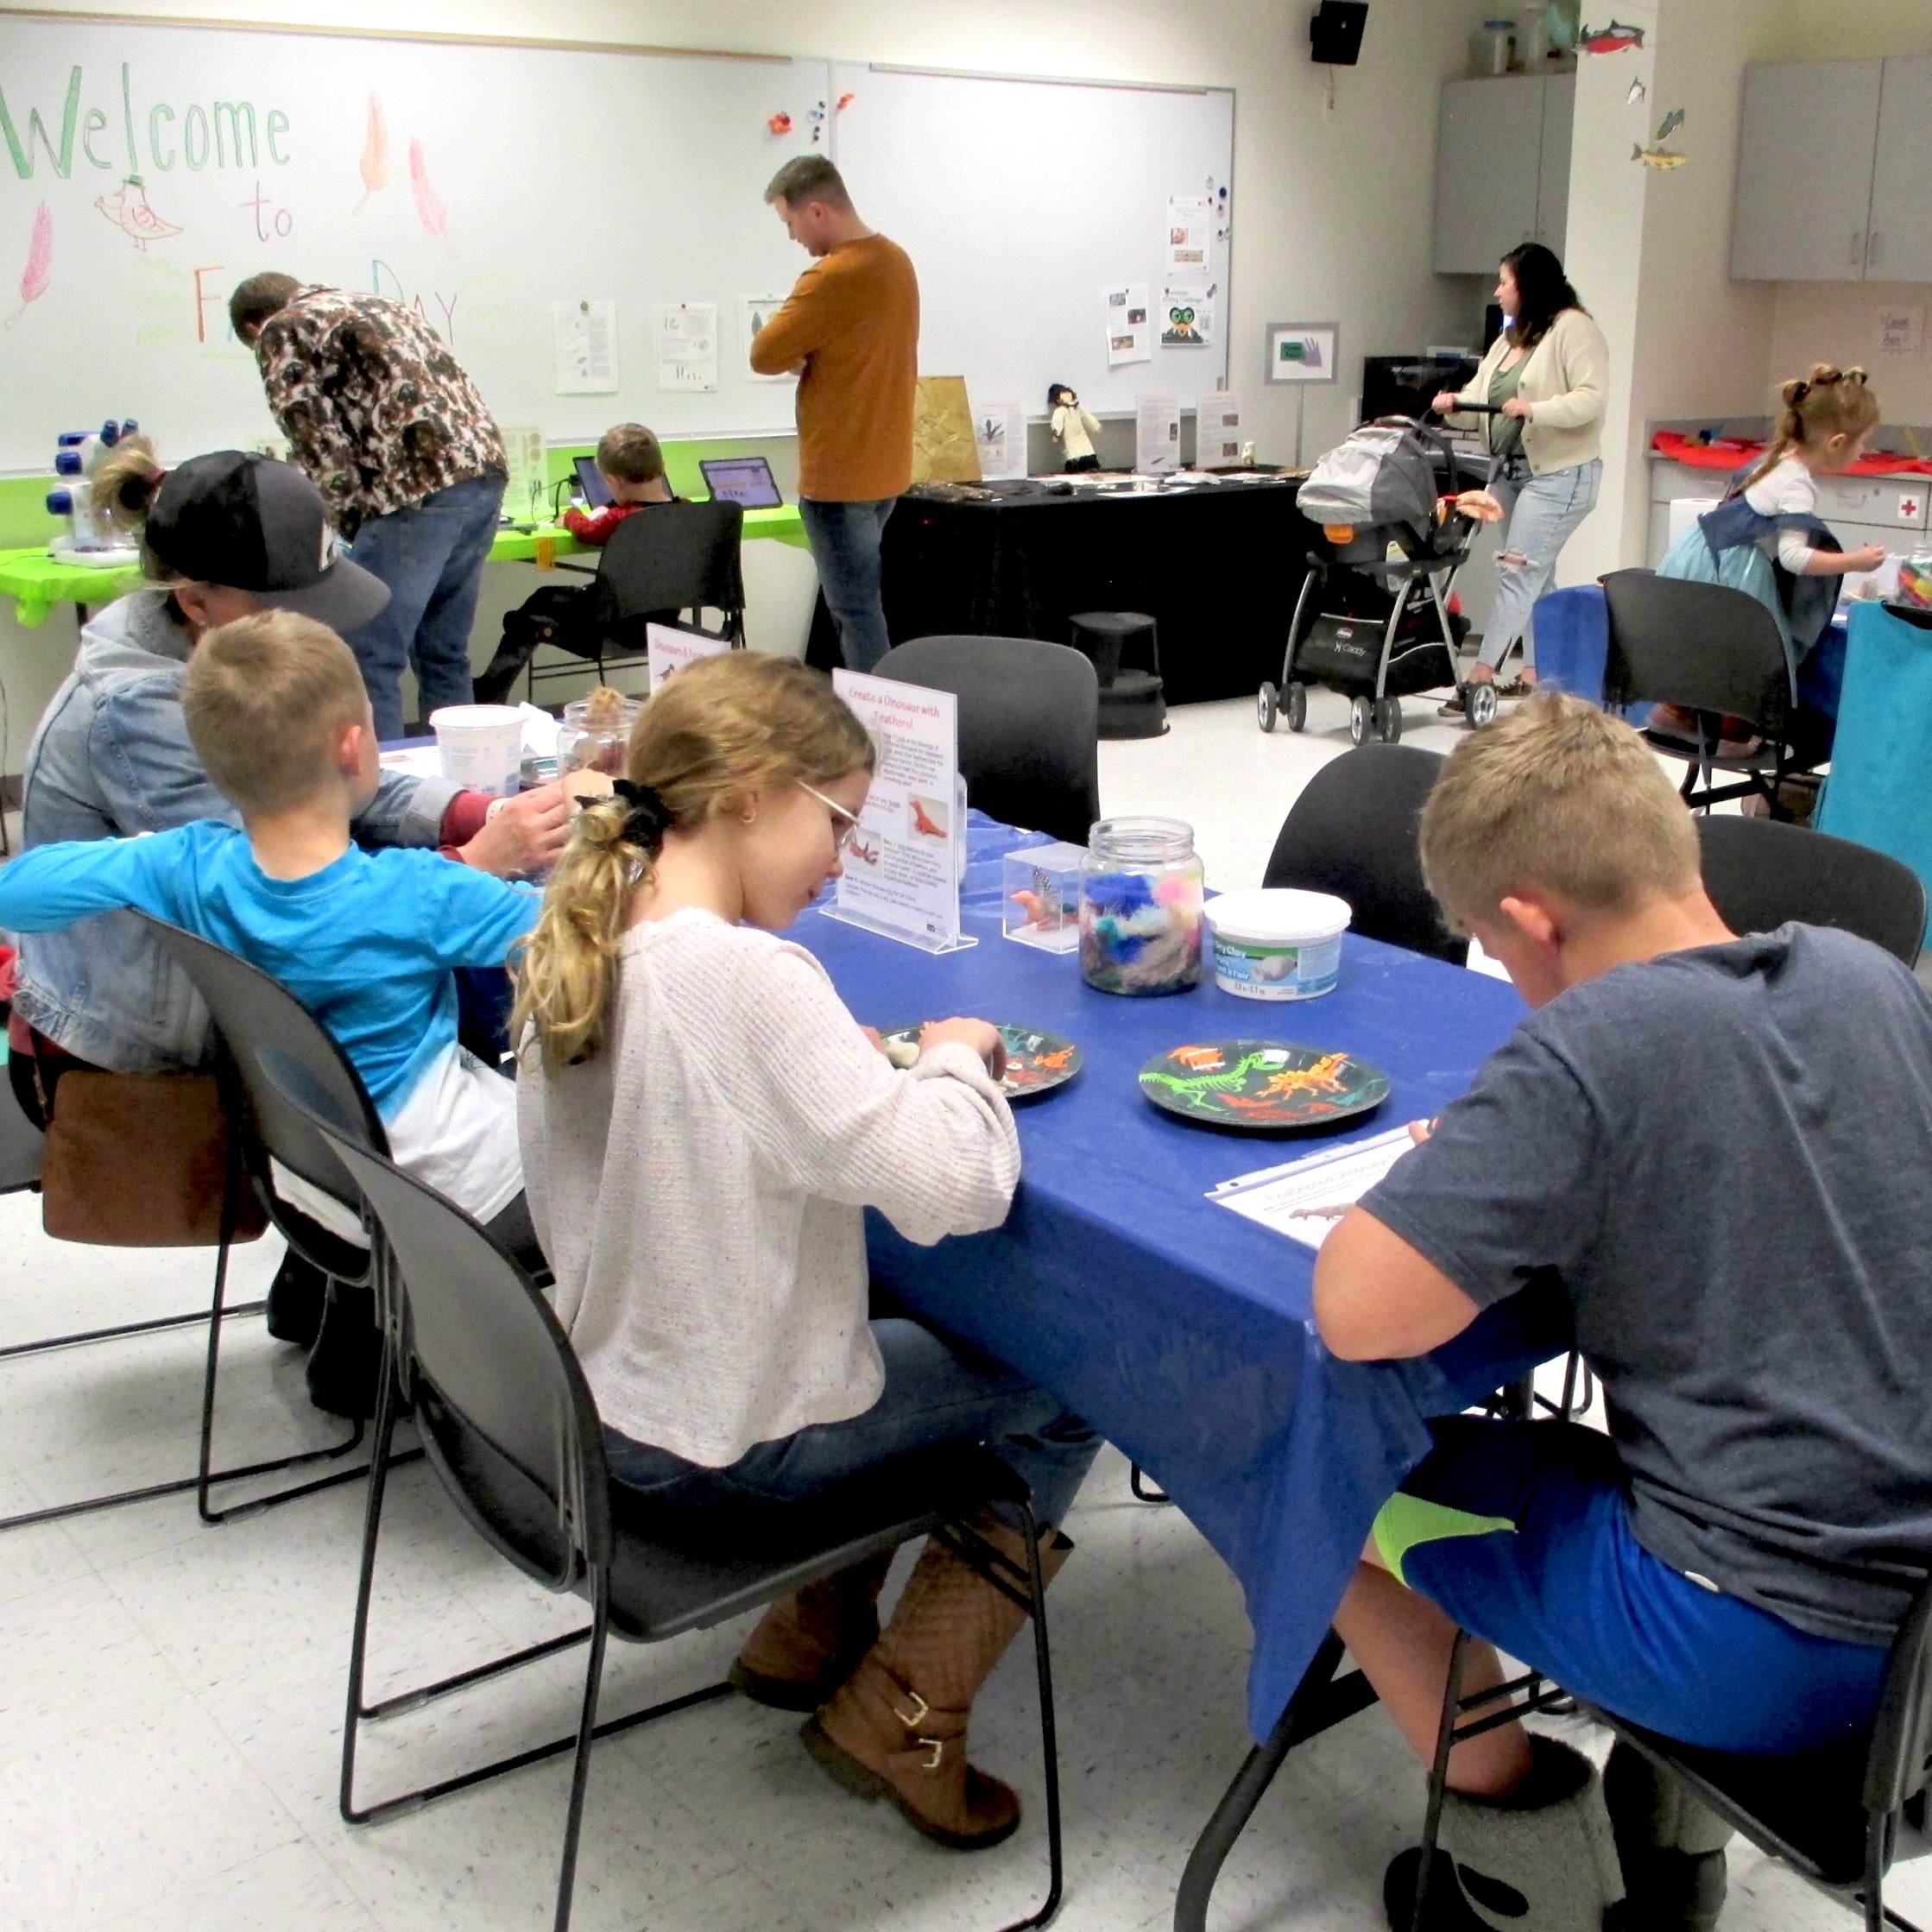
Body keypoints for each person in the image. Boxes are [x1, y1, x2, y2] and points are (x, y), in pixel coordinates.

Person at [1312, 694, 1932, 1931]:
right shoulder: (1870, 975)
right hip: (1916, 1617)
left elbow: (1353, 1312)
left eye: (1495, 947)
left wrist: (1456, 1166)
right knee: (1571, 1462)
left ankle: (1524, 1882)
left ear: (1529, 921)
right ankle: (1674, 1855)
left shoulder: (1585, 1051)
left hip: (1762, 1645)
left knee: (1315, 1465)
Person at [513, 651, 1100, 1852]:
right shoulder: (742, 977)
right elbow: (959, 1185)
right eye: (835, 822)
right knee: (1078, 1380)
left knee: (907, 1320)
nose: (843, 859)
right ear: (745, 794)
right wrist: (951, 1055)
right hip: (723, 1445)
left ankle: (808, 1624)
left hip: (606, 1405)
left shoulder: (585, 921)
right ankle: (902, 1710)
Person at [12, 446, 570, 1377]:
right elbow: (587, 938)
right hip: (161, 1051)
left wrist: (462, 816)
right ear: (197, 602)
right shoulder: (140, 717)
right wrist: (472, 868)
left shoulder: (196, 843)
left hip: (300, 1133)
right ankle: (422, 1316)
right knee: (506, 1037)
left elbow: (285, 823)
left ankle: (342, 1294)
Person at [229, 272, 508, 742]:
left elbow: (317, 440)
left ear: (254, 325)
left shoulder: (283, 327)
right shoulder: (380, 305)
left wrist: (341, 529)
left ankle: (389, 795)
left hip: (412, 486)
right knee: (442, 650)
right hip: (482, 473)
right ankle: (464, 785)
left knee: (368, 650)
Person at [1650, 364, 1886, 758]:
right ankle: (1733, 729)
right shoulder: (1798, 482)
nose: (1864, 453)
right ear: (1836, 442)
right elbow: (1794, 558)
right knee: (1760, 651)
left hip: (1699, 552)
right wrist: (1855, 561)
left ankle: (1679, 709)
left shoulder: (1775, 459)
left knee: (1710, 644)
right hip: (1733, 569)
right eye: (1862, 444)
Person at [748, 156, 919, 672]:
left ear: (817, 210)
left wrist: (803, 355)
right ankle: (879, 715)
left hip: (839, 477)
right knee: (864, 603)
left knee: (855, 610)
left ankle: (877, 727)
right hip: (887, 471)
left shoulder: (829, 276)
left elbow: (762, 355)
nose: (793, 237)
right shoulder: (897, 262)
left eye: (791, 222)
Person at [1432, 243, 1608, 717]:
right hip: (1511, 470)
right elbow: (1480, 395)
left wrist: (1537, 409)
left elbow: (1591, 398)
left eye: (1504, 282)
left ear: (1528, 286)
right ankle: (1535, 677)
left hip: (1558, 474)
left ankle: (1480, 676)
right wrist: (1456, 405)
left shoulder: (1574, 329)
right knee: (1535, 575)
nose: (1497, 290)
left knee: (1518, 573)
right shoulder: (1510, 337)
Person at [561, 421, 678, 546]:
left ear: (614, 482)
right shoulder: (686, 508)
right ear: (663, 466)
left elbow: (585, 531)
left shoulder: (622, 518)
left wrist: (570, 514)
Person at [1048, 382, 1103, 472]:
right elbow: (1087, 417)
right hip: (1075, 436)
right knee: (1079, 449)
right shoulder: (1069, 409)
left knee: (1078, 450)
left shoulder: (1068, 409)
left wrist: (1056, 434)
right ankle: (1084, 467)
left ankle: (1083, 468)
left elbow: (1058, 422)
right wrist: (1095, 426)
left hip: (1077, 436)